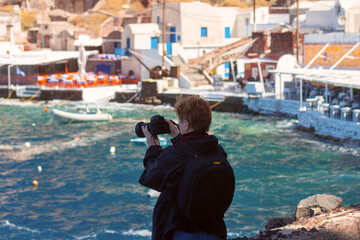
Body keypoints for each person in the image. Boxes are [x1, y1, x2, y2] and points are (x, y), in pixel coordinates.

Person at [139, 96, 234, 240]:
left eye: (180, 121)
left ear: (186, 125)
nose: (178, 124)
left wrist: (154, 147)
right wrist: (177, 135)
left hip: (181, 231)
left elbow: (151, 177)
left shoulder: (176, 153)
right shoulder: (217, 150)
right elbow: (193, 149)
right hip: (214, 231)